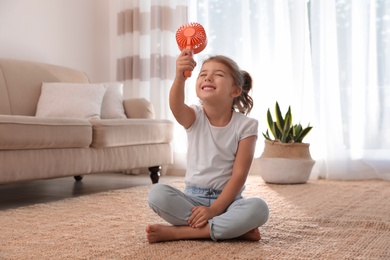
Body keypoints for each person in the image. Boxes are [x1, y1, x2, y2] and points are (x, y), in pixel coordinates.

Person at [145, 49, 269, 243]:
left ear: (235, 90)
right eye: (203, 74)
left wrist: (215, 210)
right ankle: (231, 230)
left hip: (228, 201)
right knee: (156, 194)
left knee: (259, 208)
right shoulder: (194, 117)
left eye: (218, 75)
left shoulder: (246, 126)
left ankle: (181, 233)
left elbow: (239, 175)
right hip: (193, 200)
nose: (208, 78)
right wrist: (179, 76)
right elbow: (176, 105)